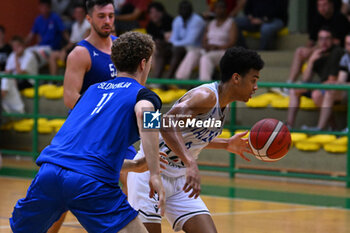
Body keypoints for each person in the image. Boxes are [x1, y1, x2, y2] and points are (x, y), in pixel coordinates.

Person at [10, 31, 165, 233]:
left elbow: (85, 156)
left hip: (50, 171)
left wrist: (136, 164)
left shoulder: (91, 91)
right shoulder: (146, 96)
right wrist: (154, 173)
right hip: (90, 182)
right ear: (144, 64)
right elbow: (146, 116)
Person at [128, 47, 264, 233]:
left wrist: (226, 144)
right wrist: (190, 161)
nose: (256, 87)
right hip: (150, 173)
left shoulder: (224, 105)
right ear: (236, 78)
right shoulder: (206, 96)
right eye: (253, 80)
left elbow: (189, 135)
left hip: (180, 180)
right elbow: (166, 122)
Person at [286, 28, 344, 128]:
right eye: (321, 39)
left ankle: (332, 128)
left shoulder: (337, 52)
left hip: (336, 88)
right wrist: (311, 61)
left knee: (317, 94)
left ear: (333, 40)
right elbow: (305, 79)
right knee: (294, 89)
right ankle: (289, 125)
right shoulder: (318, 53)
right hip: (322, 86)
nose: (324, 42)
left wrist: (315, 87)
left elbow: (331, 80)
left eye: (327, 38)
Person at [175, 0, 238, 81]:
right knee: (193, 53)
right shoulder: (211, 23)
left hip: (223, 51)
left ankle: (204, 83)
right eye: (217, 8)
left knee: (205, 58)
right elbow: (204, 40)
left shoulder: (231, 23)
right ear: (214, 10)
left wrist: (217, 47)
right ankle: (180, 80)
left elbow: (232, 42)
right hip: (209, 50)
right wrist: (206, 46)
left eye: (221, 8)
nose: (219, 10)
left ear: (226, 9)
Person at [302, 33, 350, 131]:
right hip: (347, 90)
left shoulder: (337, 53)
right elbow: (342, 80)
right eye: (347, 44)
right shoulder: (345, 58)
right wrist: (335, 84)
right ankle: (320, 128)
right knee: (329, 92)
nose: (349, 47)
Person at [166, 0, 206, 80]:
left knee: (176, 49)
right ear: (178, 11)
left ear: (191, 10)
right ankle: (158, 80)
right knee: (162, 49)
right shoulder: (177, 20)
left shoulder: (197, 20)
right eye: (182, 9)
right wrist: (172, 44)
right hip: (182, 47)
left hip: (196, 48)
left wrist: (174, 44)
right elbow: (173, 38)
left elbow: (190, 41)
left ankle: (169, 79)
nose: (183, 11)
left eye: (186, 9)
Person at [49, 4, 90, 76]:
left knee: (71, 55)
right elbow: (71, 42)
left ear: (85, 14)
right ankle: (53, 81)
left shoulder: (88, 25)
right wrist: (64, 50)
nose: (78, 14)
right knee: (53, 55)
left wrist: (67, 51)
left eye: (80, 12)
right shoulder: (75, 25)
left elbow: (83, 43)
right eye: (76, 12)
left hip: (85, 51)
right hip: (74, 49)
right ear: (74, 14)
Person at [25, 0, 69, 67]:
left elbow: (64, 32)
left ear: (49, 8)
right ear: (39, 8)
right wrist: (21, 44)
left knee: (34, 55)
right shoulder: (38, 19)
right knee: (26, 52)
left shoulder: (55, 18)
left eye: (46, 7)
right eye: (42, 7)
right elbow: (30, 36)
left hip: (51, 48)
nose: (44, 10)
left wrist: (70, 44)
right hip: (40, 47)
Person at [146, 2, 173, 79]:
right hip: (158, 51)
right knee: (153, 50)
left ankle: (157, 79)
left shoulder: (170, 21)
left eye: (157, 12)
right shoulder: (150, 26)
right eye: (151, 13)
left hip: (171, 51)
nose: (154, 15)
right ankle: (156, 78)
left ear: (162, 12)